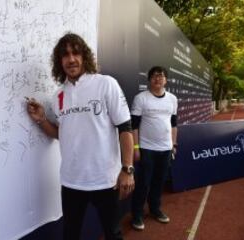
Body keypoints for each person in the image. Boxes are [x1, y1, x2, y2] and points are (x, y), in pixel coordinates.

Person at [26, 33, 135, 240]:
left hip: (105, 180)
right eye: (65, 55)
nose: (71, 59)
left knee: (113, 234)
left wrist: (127, 169)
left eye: (76, 53)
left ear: (84, 56)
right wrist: (41, 119)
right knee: (70, 234)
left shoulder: (106, 84)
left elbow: (125, 127)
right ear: (60, 61)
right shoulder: (58, 95)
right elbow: (62, 133)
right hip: (71, 181)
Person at [130, 66, 178, 231]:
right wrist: (136, 148)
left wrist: (173, 144)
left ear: (166, 80)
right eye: (155, 76)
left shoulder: (172, 99)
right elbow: (134, 126)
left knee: (159, 182)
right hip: (146, 148)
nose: (158, 79)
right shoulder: (141, 98)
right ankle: (137, 214)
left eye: (161, 76)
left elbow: (173, 124)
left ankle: (155, 209)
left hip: (166, 149)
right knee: (143, 183)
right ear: (149, 79)